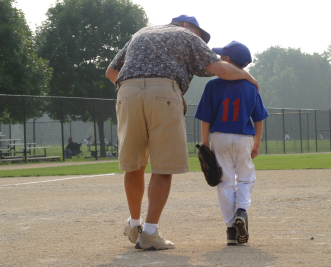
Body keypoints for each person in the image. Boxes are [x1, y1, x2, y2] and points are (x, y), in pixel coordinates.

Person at [106, 15, 259, 251]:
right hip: (164, 92)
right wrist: (248, 76)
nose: (201, 40)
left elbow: (111, 72)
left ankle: (134, 224)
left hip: (126, 92)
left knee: (134, 164)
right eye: (200, 34)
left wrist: (134, 88)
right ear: (187, 26)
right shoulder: (187, 35)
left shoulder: (141, 32)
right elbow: (222, 70)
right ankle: (149, 233)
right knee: (163, 165)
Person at [194, 41, 269, 246]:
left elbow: (205, 118)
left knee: (224, 181)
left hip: (220, 137)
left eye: (221, 57)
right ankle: (241, 212)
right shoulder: (251, 86)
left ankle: (230, 231)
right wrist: (257, 143)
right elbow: (259, 118)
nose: (218, 60)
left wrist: (205, 143)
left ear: (227, 60)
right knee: (245, 179)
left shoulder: (213, 85)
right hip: (244, 137)